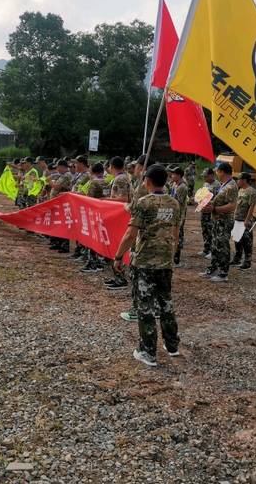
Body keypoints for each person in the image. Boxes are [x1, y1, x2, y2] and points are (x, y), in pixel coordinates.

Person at [113, 164, 180, 367]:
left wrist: (118, 256)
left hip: (145, 262)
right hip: (165, 261)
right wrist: (170, 253)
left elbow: (131, 233)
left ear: (148, 181)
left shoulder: (144, 203)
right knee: (166, 303)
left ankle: (148, 351)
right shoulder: (174, 203)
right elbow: (175, 233)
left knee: (145, 307)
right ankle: (172, 345)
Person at [120, 154, 150, 322]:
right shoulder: (161, 189)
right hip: (156, 239)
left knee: (138, 274)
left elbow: (133, 209)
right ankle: (153, 308)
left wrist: (125, 206)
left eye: (137, 167)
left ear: (142, 167)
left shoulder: (143, 187)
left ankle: (137, 310)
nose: (135, 170)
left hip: (141, 235)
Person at [202, 162, 238, 282]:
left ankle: (223, 273)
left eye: (217, 171)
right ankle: (213, 269)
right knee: (215, 245)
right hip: (218, 220)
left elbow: (232, 206)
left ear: (222, 172)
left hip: (224, 221)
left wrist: (214, 209)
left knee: (222, 246)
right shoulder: (224, 185)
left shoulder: (231, 186)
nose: (216, 173)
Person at [104, 156, 133, 291]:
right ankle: (117, 275)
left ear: (112, 166)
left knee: (118, 245)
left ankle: (120, 278)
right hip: (120, 215)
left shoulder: (120, 179)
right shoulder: (124, 177)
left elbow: (123, 199)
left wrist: (103, 200)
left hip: (120, 216)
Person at [80, 162, 107, 273]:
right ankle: (100, 261)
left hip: (93, 213)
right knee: (100, 238)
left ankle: (92, 263)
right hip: (104, 212)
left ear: (92, 171)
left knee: (92, 238)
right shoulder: (107, 182)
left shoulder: (93, 182)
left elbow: (89, 199)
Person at [230, 172, 256, 270]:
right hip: (237, 218)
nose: (237, 181)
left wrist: (247, 220)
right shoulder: (240, 190)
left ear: (244, 180)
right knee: (237, 240)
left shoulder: (252, 191)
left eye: (239, 179)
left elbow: (251, 206)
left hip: (245, 220)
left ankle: (247, 261)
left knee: (247, 241)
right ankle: (237, 258)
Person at [47, 159, 73, 253]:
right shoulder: (62, 175)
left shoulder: (66, 175)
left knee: (63, 224)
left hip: (63, 204)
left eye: (58, 167)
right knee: (58, 223)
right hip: (58, 203)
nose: (57, 169)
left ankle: (64, 245)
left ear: (62, 167)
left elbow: (57, 187)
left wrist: (50, 181)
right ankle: (58, 243)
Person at [69, 156, 91, 261]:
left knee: (83, 229)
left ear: (82, 164)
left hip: (82, 206)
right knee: (77, 228)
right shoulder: (79, 174)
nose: (74, 165)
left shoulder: (87, 175)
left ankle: (83, 252)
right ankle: (79, 250)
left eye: (76, 163)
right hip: (76, 204)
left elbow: (82, 191)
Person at [168, 166, 189, 267]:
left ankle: (177, 259)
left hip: (179, 215)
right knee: (173, 235)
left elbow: (178, 203)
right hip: (173, 214)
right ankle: (173, 256)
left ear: (179, 175)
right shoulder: (174, 185)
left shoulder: (182, 187)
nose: (171, 176)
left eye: (173, 174)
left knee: (178, 236)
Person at [198, 168, 219, 258]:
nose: (204, 178)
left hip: (211, 211)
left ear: (211, 175)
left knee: (212, 231)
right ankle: (206, 249)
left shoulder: (217, 185)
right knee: (205, 230)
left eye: (206, 176)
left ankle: (212, 250)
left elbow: (217, 199)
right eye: (204, 176)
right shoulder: (205, 184)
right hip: (204, 211)